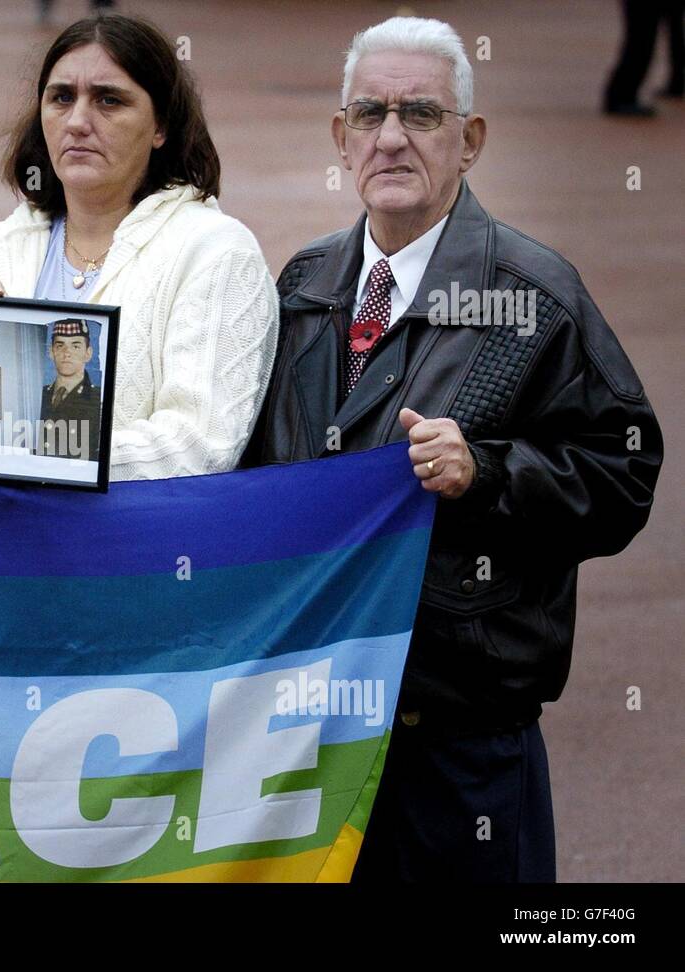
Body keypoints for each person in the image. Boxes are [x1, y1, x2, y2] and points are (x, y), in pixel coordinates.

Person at [242, 16, 663, 882]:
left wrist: (489, 472)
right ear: (340, 136)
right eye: (369, 114)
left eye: (421, 115)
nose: (391, 137)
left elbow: (625, 472)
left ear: (469, 140)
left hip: (459, 747)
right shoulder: (304, 283)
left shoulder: (535, 293)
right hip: (310, 738)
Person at [0, 12, 278, 480]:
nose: (78, 121)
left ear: (161, 125)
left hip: (140, 548)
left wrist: (30, 453)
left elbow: (198, 446)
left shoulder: (215, 252)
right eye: (61, 98)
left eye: (109, 100)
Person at [40, 318, 100, 460]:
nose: (67, 353)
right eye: (60, 345)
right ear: (51, 352)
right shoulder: (41, 395)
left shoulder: (99, 400)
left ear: (88, 353)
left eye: (75, 346)